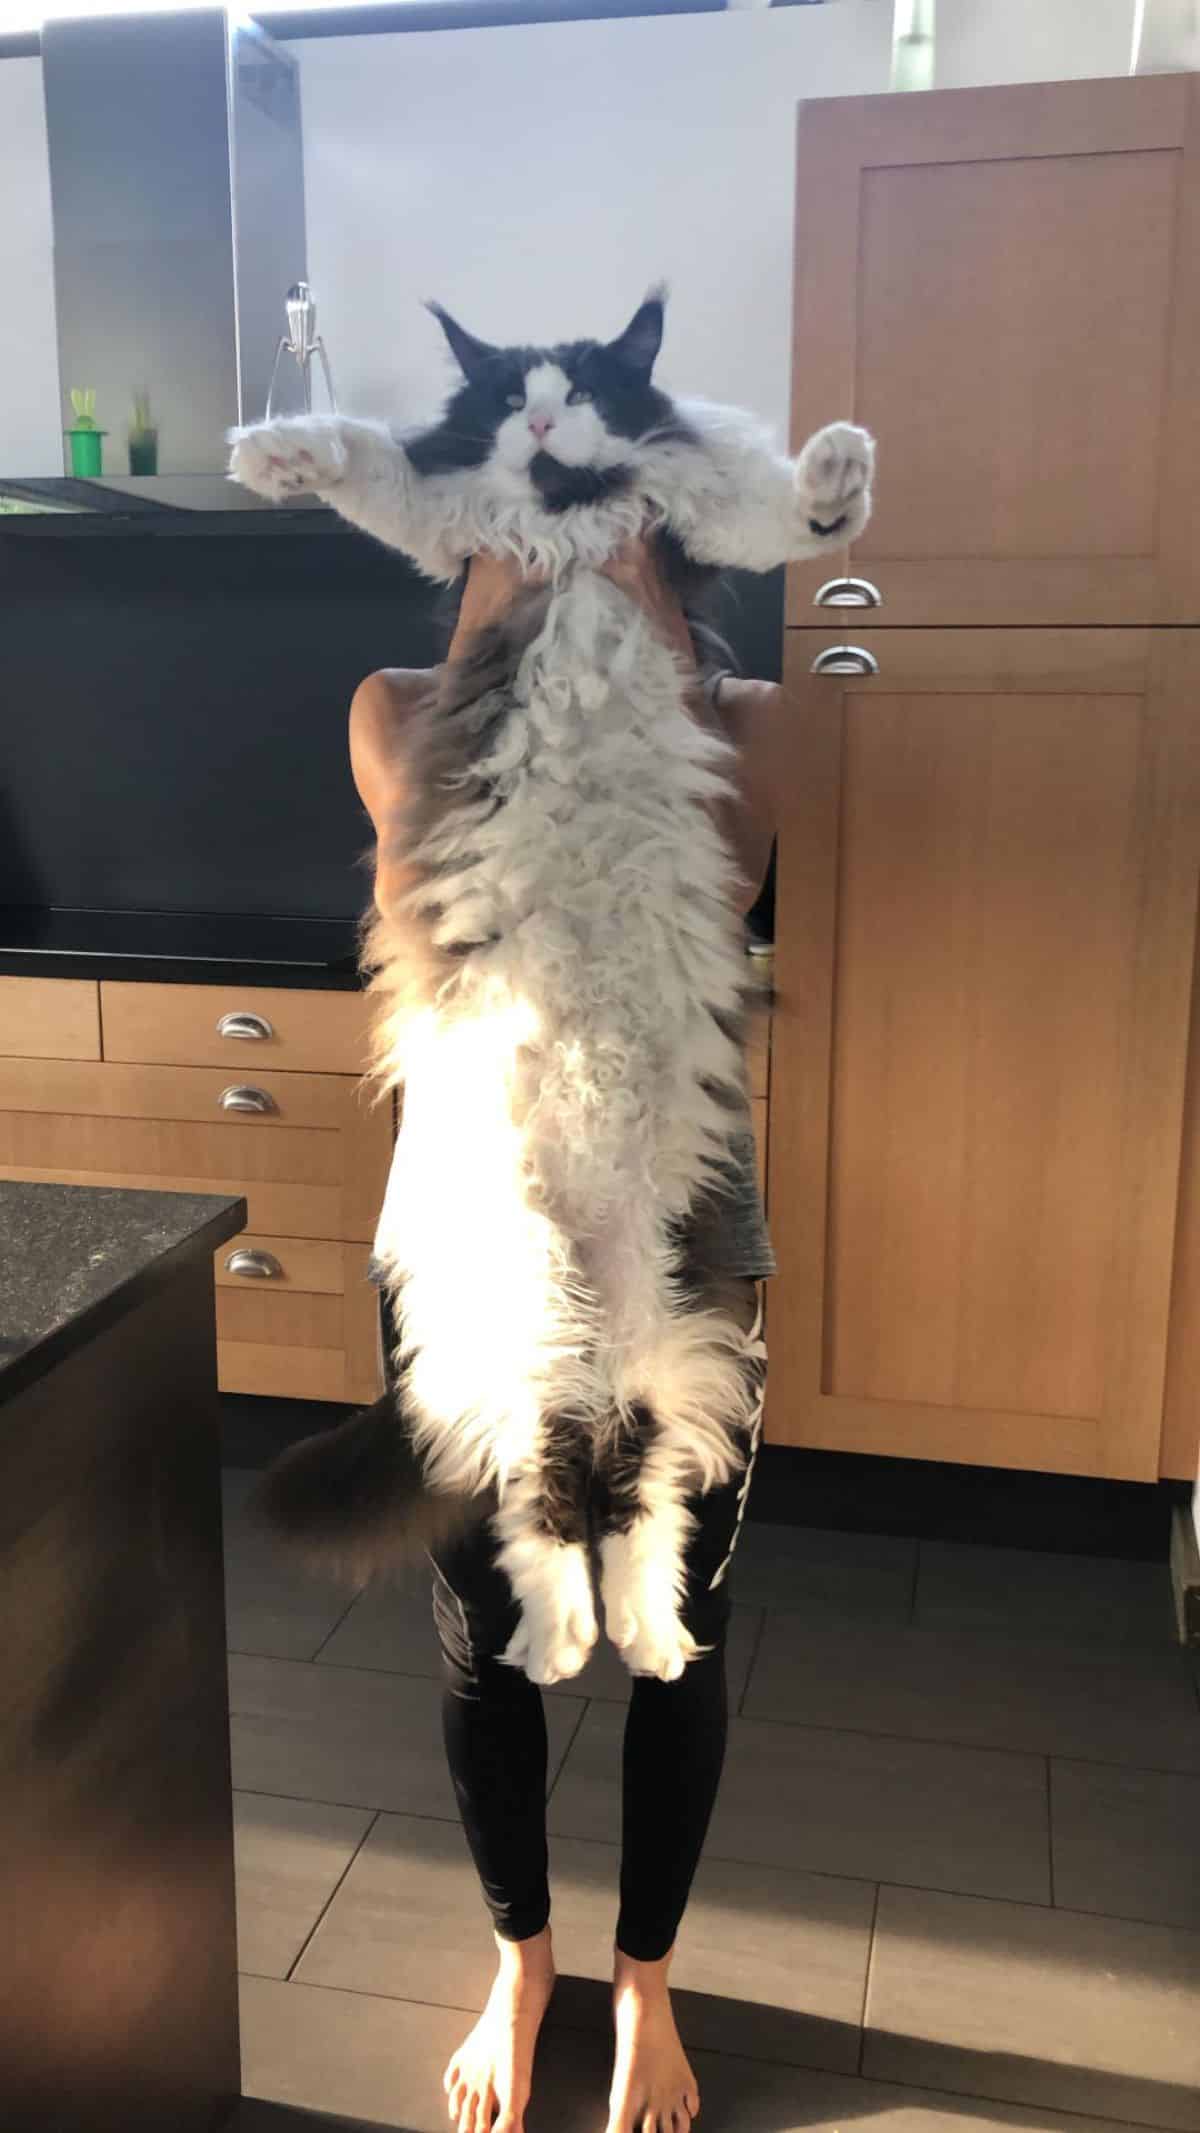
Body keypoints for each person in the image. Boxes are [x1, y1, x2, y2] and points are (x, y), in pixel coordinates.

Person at [349, 536, 781, 2133]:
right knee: (484, 1636)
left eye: (598, 536)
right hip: (470, 1253)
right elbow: (425, 883)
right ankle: (521, 1960)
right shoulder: (401, 704)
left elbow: (705, 870)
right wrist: (505, 627)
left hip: (680, 1263)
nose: (556, 569)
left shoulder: (745, 715)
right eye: (511, 542)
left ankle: (645, 1978)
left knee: (680, 1641)